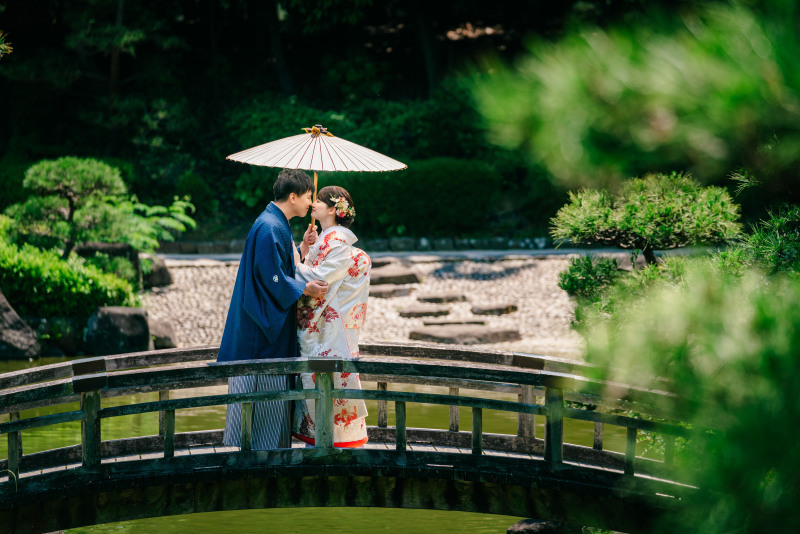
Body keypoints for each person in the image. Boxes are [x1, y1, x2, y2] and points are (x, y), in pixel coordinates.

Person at [217, 168, 328, 450]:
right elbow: (272, 277)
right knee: (261, 399)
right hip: (260, 331)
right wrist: (305, 288)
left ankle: (263, 454)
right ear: (293, 196)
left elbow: (280, 267)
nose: (310, 204)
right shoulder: (269, 227)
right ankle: (258, 457)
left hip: (261, 323)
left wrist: (302, 247)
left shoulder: (274, 223)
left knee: (265, 402)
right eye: (307, 197)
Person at [291, 186, 371, 447]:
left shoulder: (336, 243)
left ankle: (329, 444)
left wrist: (293, 265)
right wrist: (306, 247)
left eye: (320, 200)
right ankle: (325, 441)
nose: (314, 203)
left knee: (326, 381)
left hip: (330, 329)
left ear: (334, 210)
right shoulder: (326, 239)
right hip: (327, 326)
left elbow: (321, 281)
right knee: (324, 383)